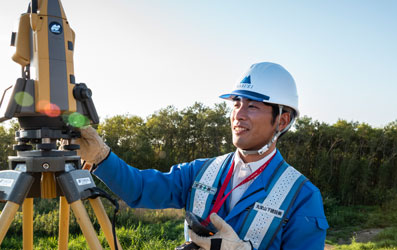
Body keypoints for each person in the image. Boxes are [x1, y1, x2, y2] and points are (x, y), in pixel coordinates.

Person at [75, 62, 329, 250]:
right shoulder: (201, 171)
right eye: (236, 103)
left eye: (252, 106)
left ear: (282, 120)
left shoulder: (301, 196)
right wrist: (102, 157)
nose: (238, 114)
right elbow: (139, 189)